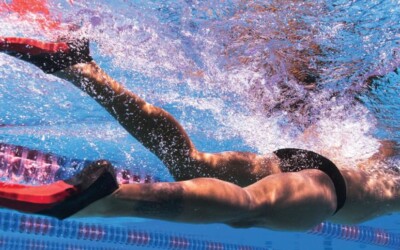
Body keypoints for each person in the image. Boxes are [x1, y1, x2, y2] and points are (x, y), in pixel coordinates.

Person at [0, 37, 398, 231]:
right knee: (247, 207)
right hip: (329, 189)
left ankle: (78, 67)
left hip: (305, 157)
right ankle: (105, 200)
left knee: (190, 162)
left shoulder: (386, 150)